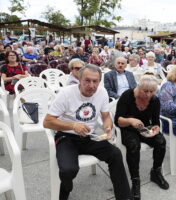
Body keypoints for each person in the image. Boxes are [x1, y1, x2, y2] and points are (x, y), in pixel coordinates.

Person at [43, 64, 131, 200]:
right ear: (79, 79)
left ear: (99, 81)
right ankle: (65, 189)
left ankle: (124, 197)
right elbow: (47, 121)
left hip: (89, 136)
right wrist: (72, 125)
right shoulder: (66, 93)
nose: (91, 85)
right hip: (67, 137)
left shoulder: (102, 92)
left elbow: (106, 116)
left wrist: (108, 128)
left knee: (115, 154)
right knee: (68, 170)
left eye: (95, 81)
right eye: (87, 81)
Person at [115, 75, 169, 199]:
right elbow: (118, 120)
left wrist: (156, 128)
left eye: (152, 91)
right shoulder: (127, 96)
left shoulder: (155, 100)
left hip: (144, 128)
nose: (148, 94)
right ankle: (135, 179)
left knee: (161, 141)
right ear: (139, 87)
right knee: (134, 145)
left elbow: (155, 121)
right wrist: (131, 121)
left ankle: (156, 172)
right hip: (128, 128)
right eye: (145, 91)